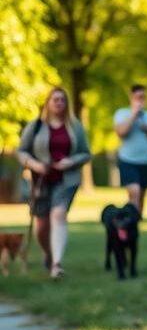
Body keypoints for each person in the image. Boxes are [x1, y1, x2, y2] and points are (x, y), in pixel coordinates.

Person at [16, 87, 91, 280]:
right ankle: (49, 254)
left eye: (62, 100)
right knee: (41, 228)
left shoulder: (75, 127)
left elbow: (86, 153)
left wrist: (71, 161)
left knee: (58, 214)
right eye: (55, 99)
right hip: (41, 181)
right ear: (48, 103)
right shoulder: (36, 126)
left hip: (66, 180)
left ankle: (57, 264)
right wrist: (33, 164)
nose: (59, 103)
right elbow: (21, 151)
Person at [114, 84, 147, 213]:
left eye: (143, 97)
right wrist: (134, 115)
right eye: (138, 97)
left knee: (141, 194)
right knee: (134, 191)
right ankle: (132, 220)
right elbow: (121, 132)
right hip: (128, 160)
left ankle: (137, 218)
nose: (141, 100)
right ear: (131, 98)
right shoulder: (122, 113)